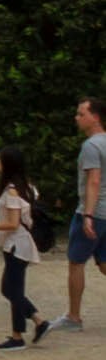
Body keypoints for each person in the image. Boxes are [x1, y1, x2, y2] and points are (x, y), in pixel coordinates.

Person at [0, 153, 49, 350]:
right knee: (9, 288)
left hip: (16, 245)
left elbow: (12, 223)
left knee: (14, 290)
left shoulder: (12, 191)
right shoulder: (28, 187)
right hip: (21, 244)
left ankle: (18, 336)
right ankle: (38, 321)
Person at [72, 96, 104, 330]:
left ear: (95, 117)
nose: (77, 118)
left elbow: (93, 181)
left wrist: (88, 215)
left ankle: (74, 317)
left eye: (81, 114)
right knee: (104, 263)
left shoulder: (92, 145)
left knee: (76, 262)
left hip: (94, 213)